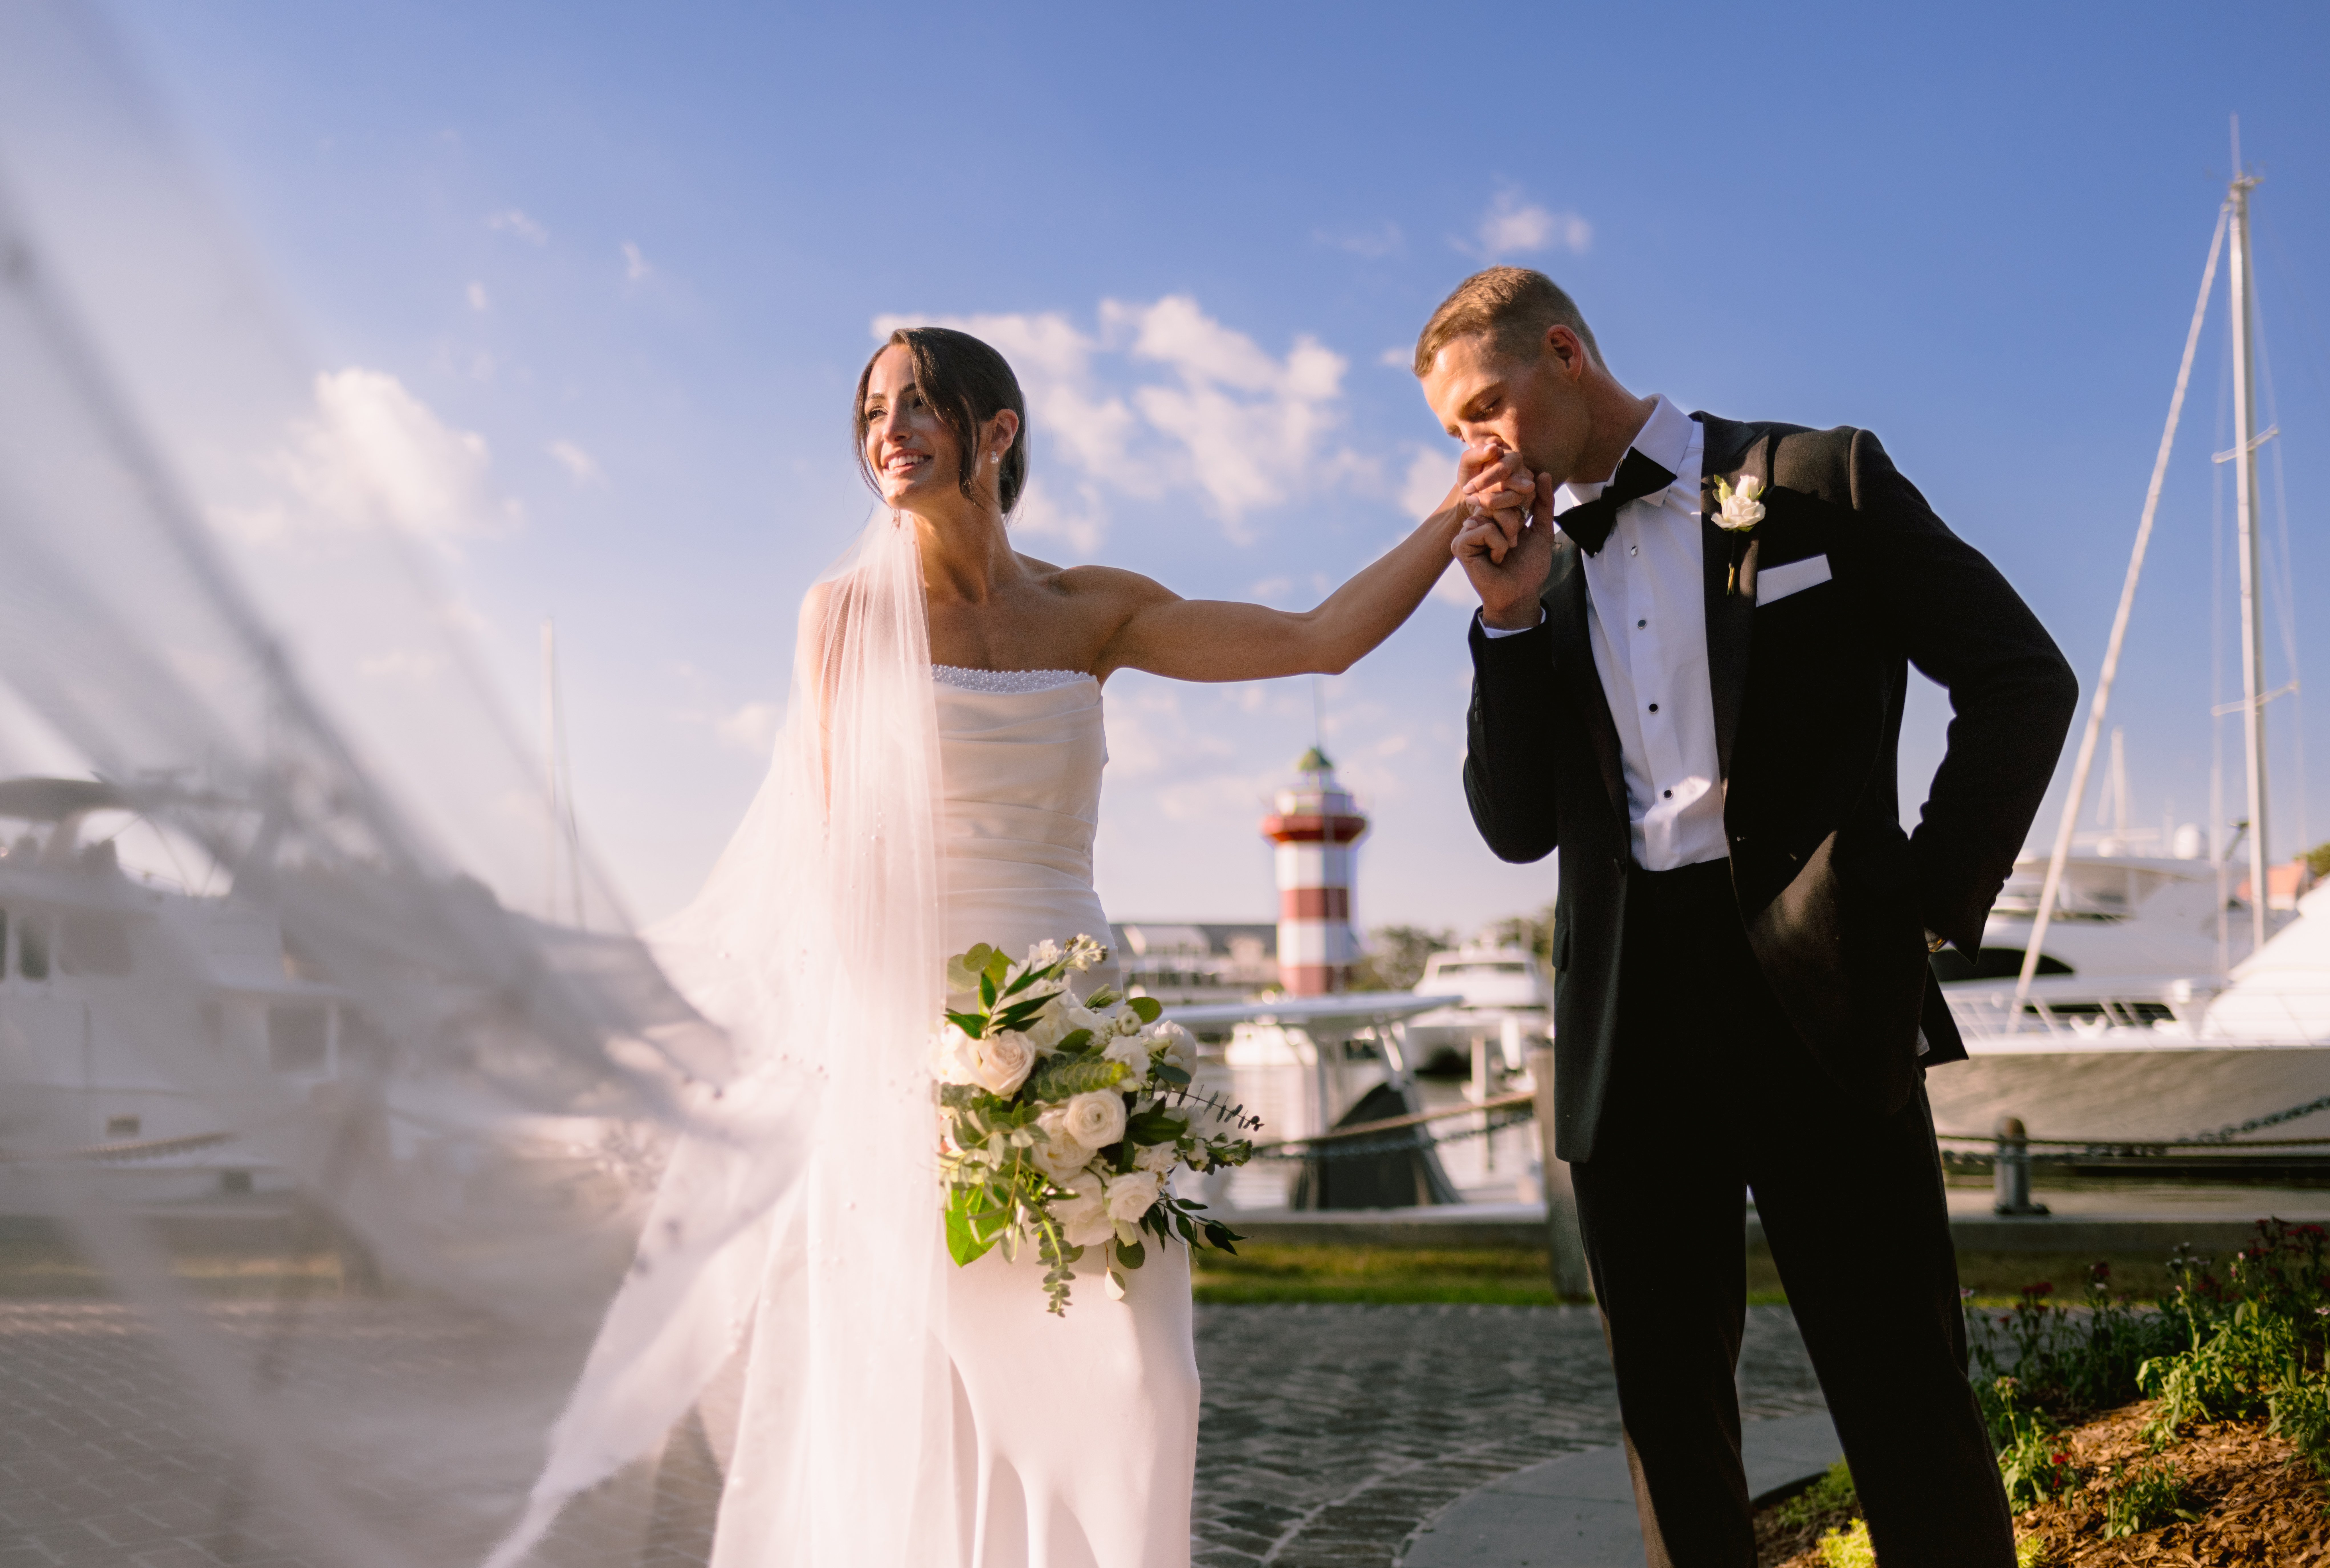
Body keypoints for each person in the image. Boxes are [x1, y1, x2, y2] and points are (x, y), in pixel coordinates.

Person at [493, 325, 1481, 1568]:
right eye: (869, 414)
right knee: (950, 1400)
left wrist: (1457, 515)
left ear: (995, 431)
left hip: (1094, 1032)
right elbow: (833, 854)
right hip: (919, 1050)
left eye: (913, 406)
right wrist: (895, 1074)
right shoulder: (843, 614)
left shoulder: (1095, 609)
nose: (885, 432)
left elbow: (1318, 635)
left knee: (1139, 1378)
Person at [1420, 266, 2077, 1567]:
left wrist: (1921, 899)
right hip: (1628, 1016)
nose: (1474, 450)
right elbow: (1515, 824)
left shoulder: (1819, 479)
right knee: (1670, 1421)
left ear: (1566, 354)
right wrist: (1500, 623)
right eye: (1453, 431)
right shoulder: (1537, 571)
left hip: (1818, 983)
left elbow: (2019, 676)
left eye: (1486, 406)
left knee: (1904, 1391)